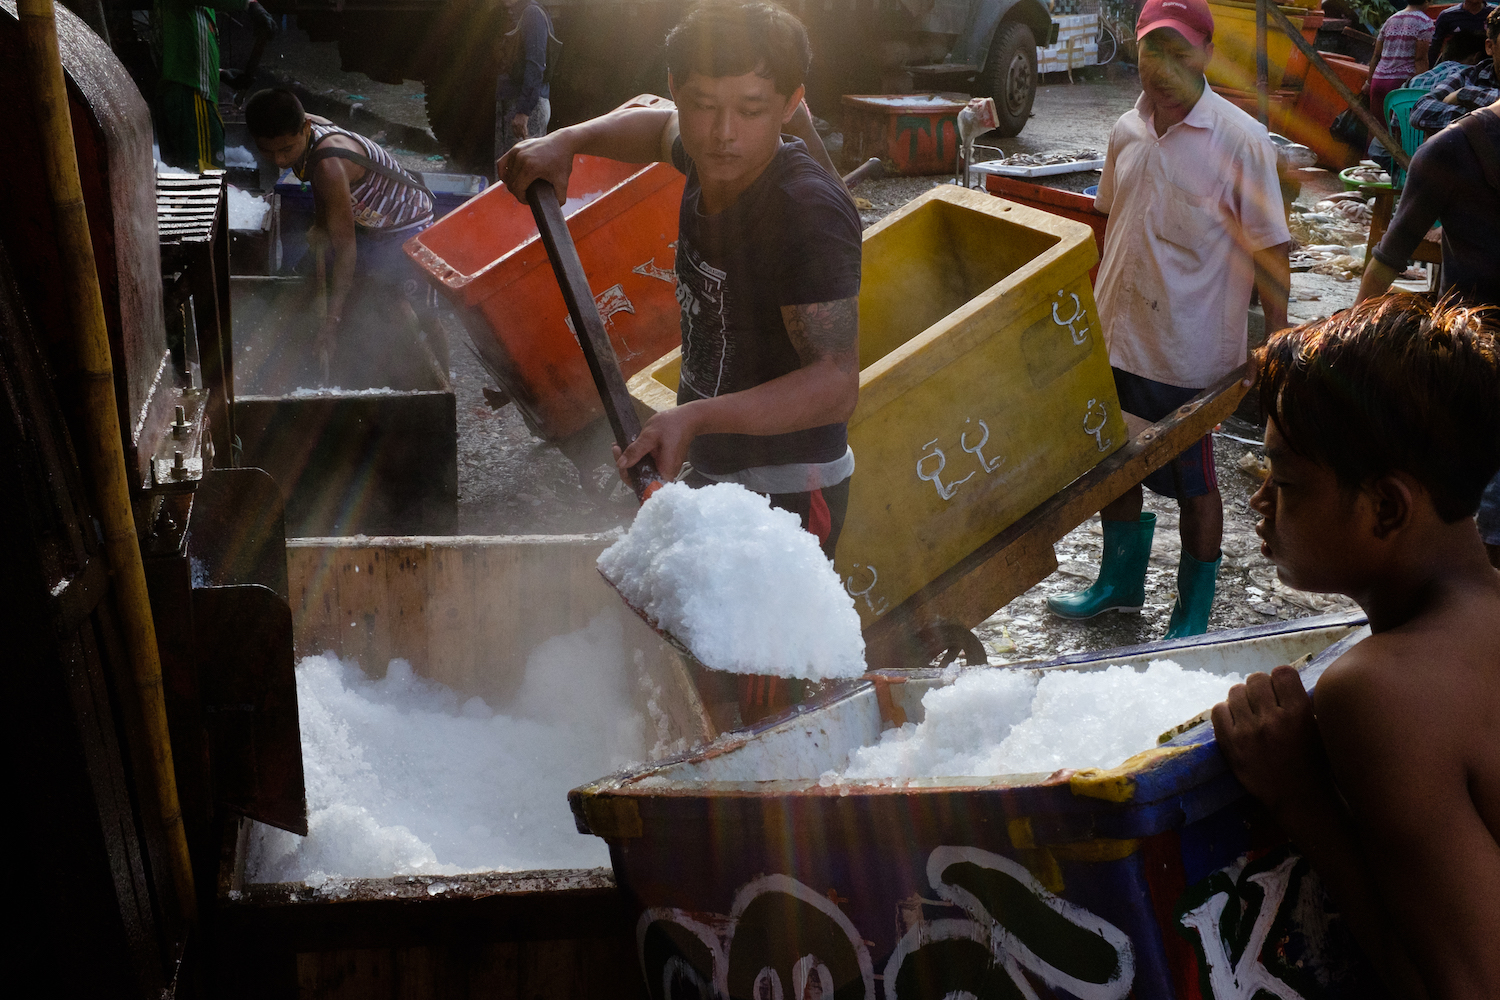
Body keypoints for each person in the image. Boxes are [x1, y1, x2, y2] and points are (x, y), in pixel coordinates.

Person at [497, 0, 859, 562]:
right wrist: (566, 141)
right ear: (675, 87)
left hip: (788, 491)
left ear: (791, 104)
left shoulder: (805, 212)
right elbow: (655, 127)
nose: (723, 133)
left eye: (752, 109)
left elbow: (835, 383)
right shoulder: (709, 154)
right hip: (715, 464)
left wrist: (692, 418)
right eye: (703, 105)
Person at [1211, 295, 1500, 998]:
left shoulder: (1381, 690)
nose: (1259, 503)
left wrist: (1302, 796)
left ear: (1387, 507)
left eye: (1285, 482)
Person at [1046, 0, 1291, 639]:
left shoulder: (1240, 140)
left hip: (1189, 352)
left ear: (1206, 54)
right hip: (1117, 336)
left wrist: (1277, 344)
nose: (1165, 70)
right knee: (1112, 467)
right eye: (1153, 53)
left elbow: (1271, 250)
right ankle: (1119, 586)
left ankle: (1192, 612)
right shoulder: (1126, 130)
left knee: (1194, 484)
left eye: (1180, 54)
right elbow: (1109, 220)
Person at [244, 88, 439, 372]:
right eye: (267, 151)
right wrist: (321, 225)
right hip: (369, 221)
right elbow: (319, 185)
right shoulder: (304, 126)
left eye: (286, 150)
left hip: (407, 222)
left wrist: (331, 323)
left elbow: (347, 249)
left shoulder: (329, 166)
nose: (280, 161)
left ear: (306, 128)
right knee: (321, 277)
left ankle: (441, 381)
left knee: (418, 313)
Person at [1358, 96, 1499, 308]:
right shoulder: (1451, 149)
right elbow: (1388, 258)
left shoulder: (1448, 147)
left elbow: (1388, 258)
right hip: (1470, 324)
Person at [154, 0, 276, 171]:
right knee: (205, 174)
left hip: (185, 94)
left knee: (186, 174)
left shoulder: (188, 11)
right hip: (191, 96)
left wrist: (220, 74)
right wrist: (249, 4)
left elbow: (179, 50)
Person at [1410, 4, 1499, 133]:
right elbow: (1420, 110)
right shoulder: (1470, 76)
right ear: (1489, 47)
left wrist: (1465, 95)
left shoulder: (1464, 89)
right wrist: (1479, 118)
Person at [494, 0, 555, 165]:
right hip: (514, 104)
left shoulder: (532, 13)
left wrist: (523, 111)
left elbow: (536, 65)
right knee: (507, 170)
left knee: (524, 171)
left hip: (527, 109)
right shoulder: (519, 14)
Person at [1365, 0, 1433, 123]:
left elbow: (1376, 55)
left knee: (1376, 127)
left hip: (1378, 81)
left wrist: (1368, 83)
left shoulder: (1391, 19)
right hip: (1401, 85)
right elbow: (1420, 59)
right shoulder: (1425, 23)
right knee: (1400, 130)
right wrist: (1421, 88)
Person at [1430, 0, 1495, 63]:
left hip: (1489, 63)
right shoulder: (1447, 16)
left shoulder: (1494, 14)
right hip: (1456, 64)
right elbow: (1435, 47)